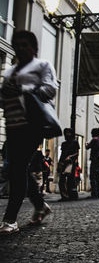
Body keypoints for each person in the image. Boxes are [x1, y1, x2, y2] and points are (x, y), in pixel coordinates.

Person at [0, 30, 57, 234]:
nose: (21, 48)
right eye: (18, 44)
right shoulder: (9, 71)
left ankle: (11, 219)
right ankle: (40, 206)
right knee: (20, 167)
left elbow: (50, 89)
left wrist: (24, 90)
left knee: (17, 167)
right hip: (12, 124)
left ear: (34, 48)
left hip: (32, 124)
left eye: (25, 45)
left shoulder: (42, 66)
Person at [58, 128, 80, 201]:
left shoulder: (75, 142)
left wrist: (70, 157)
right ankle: (64, 196)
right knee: (62, 180)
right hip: (64, 163)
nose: (67, 134)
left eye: (68, 133)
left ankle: (71, 195)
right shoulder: (64, 144)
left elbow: (77, 153)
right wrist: (60, 162)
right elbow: (62, 154)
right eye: (66, 133)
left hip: (71, 163)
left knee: (70, 179)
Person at [86, 128, 99, 199]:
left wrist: (87, 144)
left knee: (93, 177)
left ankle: (94, 193)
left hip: (94, 161)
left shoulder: (94, 140)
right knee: (98, 177)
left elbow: (87, 147)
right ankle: (98, 192)